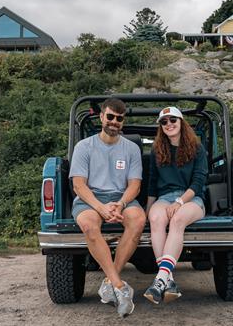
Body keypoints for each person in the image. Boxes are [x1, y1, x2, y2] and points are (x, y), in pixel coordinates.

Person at [69, 98, 146, 317]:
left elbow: (135, 185)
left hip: (121, 198)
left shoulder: (131, 148)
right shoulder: (84, 146)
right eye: (110, 116)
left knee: (138, 220)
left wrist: (120, 204)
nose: (114, 122)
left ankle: (109, 282)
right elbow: (79, 185)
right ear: (101, 117)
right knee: (88, 225)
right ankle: (120, 287)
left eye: (119, 118)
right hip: (91, 199)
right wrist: (102, 208)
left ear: (123, 121)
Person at [144, 107, 208, 304]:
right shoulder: (157, 149)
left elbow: (198, 182)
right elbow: (152, 183)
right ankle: (167, 280)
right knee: (156, 219)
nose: (169, 124)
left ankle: (159, 280)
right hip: (164, 198)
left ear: (181, 123)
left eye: (173, 120)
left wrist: (179, 202)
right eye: (164, 122)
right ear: (161, 127)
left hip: (191, 199)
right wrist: (147, 210)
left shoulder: (197, 148)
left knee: (178, 219)